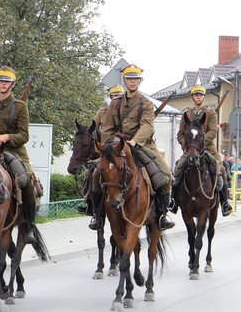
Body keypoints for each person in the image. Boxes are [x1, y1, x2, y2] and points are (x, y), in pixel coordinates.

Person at [95, 64, 175, 231]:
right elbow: (108, 128)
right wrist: (110, 144)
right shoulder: (115, 103)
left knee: (166, 175)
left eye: (135, 79)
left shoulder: (146, 103)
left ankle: (162, 214)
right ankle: (96, 213)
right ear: (124, 80)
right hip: (117, 146)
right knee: (96, 173)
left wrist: (134, 142)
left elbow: (147, 126)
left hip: (142, 145)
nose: (132, 81)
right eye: (129, 78)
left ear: (140, 81)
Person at [0, 66, 37, 244]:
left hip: (13, 152)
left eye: (7, 81)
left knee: (24, 179)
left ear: (13, 84)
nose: (3, 84)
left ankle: (30, 225)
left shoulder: (20, 106)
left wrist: (6, 137)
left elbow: (24, 135)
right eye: (1, 80)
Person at [169, 85, 232, 217]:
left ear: (203, 97)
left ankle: (225, 202)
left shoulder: (211, 114)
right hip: (190, 149)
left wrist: (200, 143)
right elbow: (180, 134)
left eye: (201, 95)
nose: (198, 97)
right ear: (192, 97)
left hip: (208, 149)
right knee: (178, 168)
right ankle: (173, 200)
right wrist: (185, 145)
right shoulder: (186, 114)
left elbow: (213, 132)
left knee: (220, 169)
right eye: (196, 95)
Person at [77, 85, 123, 217]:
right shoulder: (103, 111)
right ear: (110, 97)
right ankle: (94, 209)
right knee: (95, 174)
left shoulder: (128, 110)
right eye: (114, 96)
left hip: (125, 149)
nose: (116, 98)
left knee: (157, 171)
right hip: (107, 151)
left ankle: (161, 207)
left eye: (119, 96)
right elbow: (92, 128)